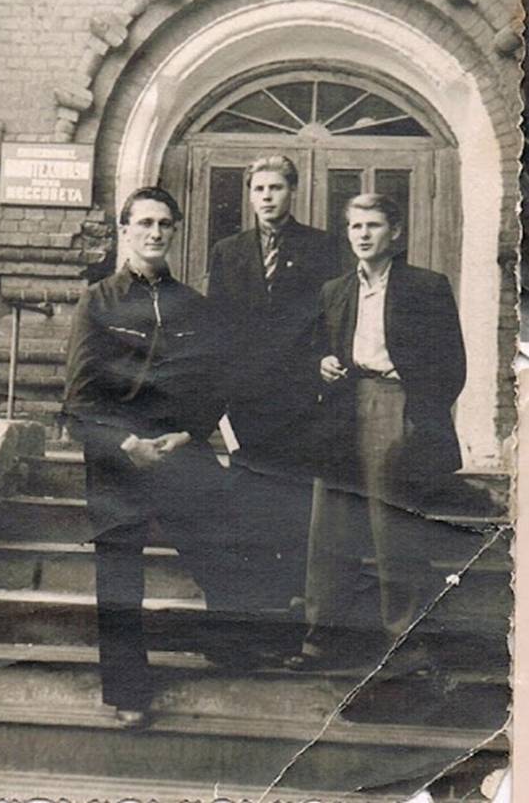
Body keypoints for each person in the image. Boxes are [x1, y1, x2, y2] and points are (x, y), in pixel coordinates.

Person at [64, 186, 251, 728]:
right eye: (144, 223)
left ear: (174, 231)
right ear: (125, 231)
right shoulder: (98, 302)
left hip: (177, 449)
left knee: (227, 545)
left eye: (165, 224)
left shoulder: (193, 306)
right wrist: (125, 444)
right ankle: (128, 693)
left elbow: (215, 386)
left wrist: (187, 436)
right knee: (119, 577)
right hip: (116, 453)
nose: (155, 232)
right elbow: (78, 400)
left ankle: (229, 647)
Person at [289, 193, 468, 676]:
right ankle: (322, 636)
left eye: (373, 225)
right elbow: (318, 349)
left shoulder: (426, 287)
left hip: (397, 404)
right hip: (343, 408)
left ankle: (406, 643)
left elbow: (451, 365)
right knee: (330, 527)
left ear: (396, 233)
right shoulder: (335, 290)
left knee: (395, 529)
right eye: (355, 226)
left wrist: (416, 416)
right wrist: (322, 363)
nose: (363, 235)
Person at [208, 155, 338, 611]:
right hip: (245, 392)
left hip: (298, 391)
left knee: (294, 492)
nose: (267, 197)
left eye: (276, 188)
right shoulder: (228, 250)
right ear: (250, 196)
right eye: (259, 189)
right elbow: (217, 321)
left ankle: (293, 592)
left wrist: (322, 362)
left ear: (292, 191)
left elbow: (331, 315)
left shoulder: (322, 247)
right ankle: (253, 593)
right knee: (248, 489)